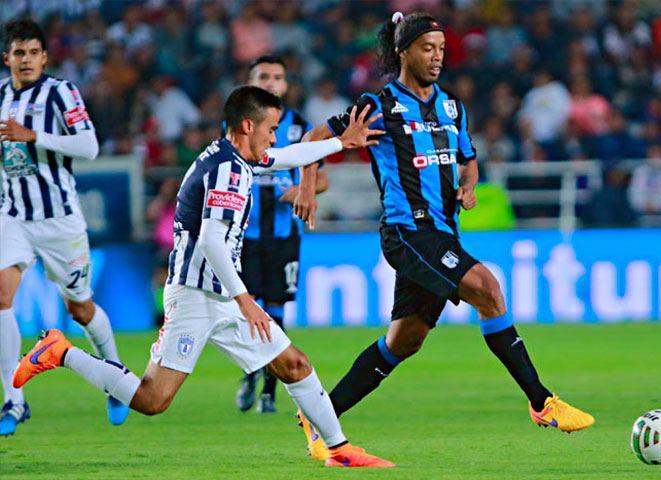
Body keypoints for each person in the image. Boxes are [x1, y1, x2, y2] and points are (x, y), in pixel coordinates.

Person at [13, 85, 394, 468]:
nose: (273, 138)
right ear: (248, 126)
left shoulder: (236, 157)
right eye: (271, 129)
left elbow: (286, 157)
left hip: (223, 295)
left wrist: (340, 143)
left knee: (294, 365)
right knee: (152, 399)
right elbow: (212, 240)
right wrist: (246, 301)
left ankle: (338, 449)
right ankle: (61, 352)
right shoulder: (228, 169)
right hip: (196, 296)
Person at [294, 12, 594, 460]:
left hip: (442, 232)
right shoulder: (379, 105)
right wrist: (306, 186)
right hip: (408, 231)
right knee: (488, 289)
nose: (437, 57)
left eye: (441, 49)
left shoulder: (452, 108)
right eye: (427, 48)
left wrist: (468, 186)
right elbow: (314, 137)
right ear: (404, 52)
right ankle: (541, 401)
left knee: (405, 341)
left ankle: (320, 415)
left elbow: (468, 159)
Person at [0, 18, 128, 435]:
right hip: (12, 215)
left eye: (33, 53)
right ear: (7, 58)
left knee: (80, 308)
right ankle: (14, 399)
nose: (26, 60)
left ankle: (115, 373)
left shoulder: (61, 93)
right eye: (19, 53)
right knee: (1, 295)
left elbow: (89, 146)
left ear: (44, 57)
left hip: (59, 218)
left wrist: (32, 135)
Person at [236, 55, 328, 414]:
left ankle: (269, 389)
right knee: (248, 311)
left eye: (277, 77)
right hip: (244, 236)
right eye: (263, 76)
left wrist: (304, 189)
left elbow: (321, 178)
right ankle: (250, 372)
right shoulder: (236, 126)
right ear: (251, 82)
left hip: (283, 235)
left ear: (286, 85)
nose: (270, 82)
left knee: (276, 311)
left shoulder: (301, 127)